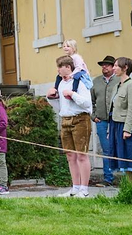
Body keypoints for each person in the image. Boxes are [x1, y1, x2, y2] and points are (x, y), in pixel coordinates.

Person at [46, 55, 93, 197]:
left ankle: (84, 189)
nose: (58, 70)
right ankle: (75, 187)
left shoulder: (80, 81)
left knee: (82, 155)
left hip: (80, 119)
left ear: (68, 67)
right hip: (65, 120)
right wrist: (50, 98)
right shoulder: (60, 83)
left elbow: (87, 103)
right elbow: (61, 106)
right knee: (70, 155)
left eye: (60, 67)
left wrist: (72, 94)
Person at [107, 56, 132, 180]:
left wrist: (127, 129)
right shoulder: (117, 86)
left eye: (116, 66)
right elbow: (113, 109)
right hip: (116, 124)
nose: (113, 68)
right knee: (126, 161)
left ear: (125, 68)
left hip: (129, 125)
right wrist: (110, 130)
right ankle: (130, 188)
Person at [90, 55, 118, 185]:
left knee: (119, 147)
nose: (104, 67)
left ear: (113, 67)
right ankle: (108, 178)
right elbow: (90, 101)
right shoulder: (96, 81)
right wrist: (93, 116)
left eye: (107, 65)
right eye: (103, 65)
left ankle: (125, 177)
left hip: (116, 120)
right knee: (106, 149)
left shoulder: (119, 80)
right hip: (101, 120)